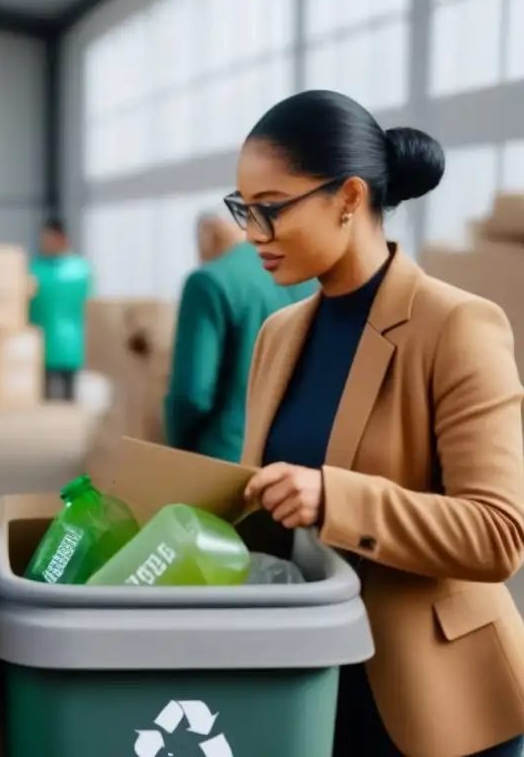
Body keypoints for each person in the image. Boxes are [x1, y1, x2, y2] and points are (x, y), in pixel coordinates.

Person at [231, 89, 524, 757]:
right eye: (243, 209)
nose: (252, 233)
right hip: (314, 687)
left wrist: (336, 497)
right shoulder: (278, 336)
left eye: (271, 209)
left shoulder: (455, 326)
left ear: (349, 198)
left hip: (439, 706)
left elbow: (499, 533)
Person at [163, 213, 314, 461]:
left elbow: (191, 394)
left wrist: (176, 448)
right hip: (296, 466)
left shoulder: (207, 282)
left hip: (226, 458)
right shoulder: (308, 278)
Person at [29, 218, 91, 401]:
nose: (45, 244)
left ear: (61, 239)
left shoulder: (78, 271)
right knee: (45, 399)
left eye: (48, 239)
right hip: (45, 345)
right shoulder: (37, 269)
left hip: (69, 345)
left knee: (68, 399)